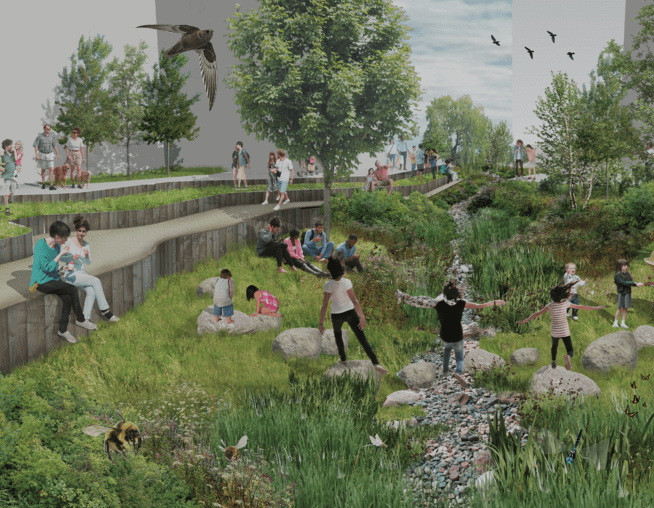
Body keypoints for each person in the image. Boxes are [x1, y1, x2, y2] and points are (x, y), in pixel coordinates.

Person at [396, 282, 506, 387]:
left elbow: (418, 300)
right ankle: (458, 373)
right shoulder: (462, 303)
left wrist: (402, 295)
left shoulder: (437, 304)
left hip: (445, 335)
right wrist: (495, 302)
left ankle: (444, 371)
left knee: (447, 350)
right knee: (459, 357)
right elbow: (480, 305)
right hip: (457, 335)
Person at [29, 221, 98, 343]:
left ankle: (63, 329)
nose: (66, 240)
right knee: (72, 289)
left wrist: (62, 268)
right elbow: (46, 268)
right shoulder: (40, 245)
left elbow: (54, 266)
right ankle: (81, 319)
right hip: (40, 282)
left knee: (67, 297)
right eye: (64, 237)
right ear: (57, 237)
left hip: (52, 279)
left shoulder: (55, 247)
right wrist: (61, 254)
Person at [319, 257, 388, 375]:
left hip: (336, 314)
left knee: (338, 336)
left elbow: (325, 305)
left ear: (330, 271)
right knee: (362, 338)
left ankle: (343, 359)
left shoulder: (328, 284)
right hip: (350, 312)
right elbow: (354, 300)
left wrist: (321, 323)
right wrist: (362, 316)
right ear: (341, 269)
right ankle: (376, 363)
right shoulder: (346, 282)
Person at [518, 281, 605, 371]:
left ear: (552, 296)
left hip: (555, 332)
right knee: (570, 350)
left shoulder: (550, 305)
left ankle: (553, 361)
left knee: (554, 346)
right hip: (564, 331)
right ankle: (568, 356)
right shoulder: (565, 303)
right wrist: (595, 308)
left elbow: (537, 313)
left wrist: (526, 320)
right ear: (563, 295)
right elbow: (581, 307)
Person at [59, 216, 119, 323]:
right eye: (79, 231)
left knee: (91, 291)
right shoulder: (68, 242)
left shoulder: (86, 245)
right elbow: (61, 257)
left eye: (84, 231)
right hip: (71, 275)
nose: (81, 233)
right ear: (76, 230)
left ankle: (84, 318)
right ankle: (105, 311)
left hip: (82, 274)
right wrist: (71, 257)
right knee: (96, 281)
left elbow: (88, 263)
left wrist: (86, 256)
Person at [613, 259, 644, 329]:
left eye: (626, 265)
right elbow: (624, 283)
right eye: (624, 265)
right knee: (620, 308)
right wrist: (634, 283)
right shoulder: (617, 275)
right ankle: (615, 322)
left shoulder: (627, 274)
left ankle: (623, 323)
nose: (626, 267)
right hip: (621, 293)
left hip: (627, 293)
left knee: (625, 308)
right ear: (620, 266)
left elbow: (630, 282)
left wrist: (636, 284)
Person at [33, 124, 61, 191]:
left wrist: (57, 153)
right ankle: (43, 183)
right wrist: (36, 154)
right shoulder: (39, 137)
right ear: (44, 129)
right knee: (43, 169)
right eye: (47, 129)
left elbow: (54, 145)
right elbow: (36, 145)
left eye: (49, 129)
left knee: (51, 169)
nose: (48, 130)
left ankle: (51, 185)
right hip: (42, 154)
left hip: (50, 154)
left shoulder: (52, 137)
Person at [1, 140, 18, 216]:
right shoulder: (2, 154)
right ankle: (7, 208)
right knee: (5, 192)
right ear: (6, 146)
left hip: (12, 175)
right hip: (6, 176)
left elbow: (16, 161)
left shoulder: (12, 154)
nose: (12, 146)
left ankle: (7, 197)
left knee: (13, 191)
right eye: (10, 145)